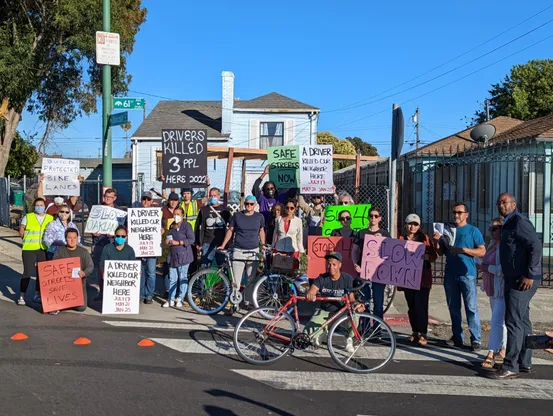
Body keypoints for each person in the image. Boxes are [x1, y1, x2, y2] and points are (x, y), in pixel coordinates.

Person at [491, 193, 542, 380]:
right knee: (522, 320)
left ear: (514, 204)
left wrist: (530, 274)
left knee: (513, 321)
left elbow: (535, 246)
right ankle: (524, 362)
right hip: (514, 277)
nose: (501, 205)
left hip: (522, 279)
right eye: (499, 203)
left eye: (505, 202)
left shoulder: (519, 222)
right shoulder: (508, 223)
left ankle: (510, 365)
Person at [433, 202, 485, 351]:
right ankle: (457, 336)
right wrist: (437, 242)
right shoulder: (448, 230)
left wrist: (464, 250)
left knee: (471, 307)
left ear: (466, 214)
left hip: (467, 274)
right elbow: (441, 253)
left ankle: (476, 339)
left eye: (460, 212)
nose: (456, 215)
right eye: (454, 212)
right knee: (453, 307)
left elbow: (482, 251)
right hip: (450, 273)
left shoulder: (473, 231)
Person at [304, 252, 364, 352]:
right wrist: (310, 294)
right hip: (325, 311)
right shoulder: (321, 278)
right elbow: (313, 290)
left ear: (340, 265)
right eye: (329, 264)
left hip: (342, 312)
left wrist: (357, 305)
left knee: (355, 316)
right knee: (307, 334)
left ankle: (348, 338)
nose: (331, 267)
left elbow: (352, 298)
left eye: (334, 264)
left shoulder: (347, 279)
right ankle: (323, 332)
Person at [218, 195, 266, 307]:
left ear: (255, 205)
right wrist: (223, 244)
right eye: (247, 204)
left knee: (251, 279)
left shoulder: (259, 217)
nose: (249, 206)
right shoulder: (237, 216)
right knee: (236, 280)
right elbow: (230, 231)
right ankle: (235, 302)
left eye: (251, 204)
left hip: (253, 251)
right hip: (238, 249)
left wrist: (262, 245)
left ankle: (248, 302)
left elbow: (261, 231)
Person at [398, 214, 437, 346]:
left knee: (421, 306)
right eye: (410, 224)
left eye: (415, 224)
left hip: (422, 278)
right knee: (411, 307)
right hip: (408, 278)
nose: (412, 226)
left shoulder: (424, 238)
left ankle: (423, 333)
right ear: (406, 224)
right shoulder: (401, 239)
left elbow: (433, 256)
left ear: (419, 226)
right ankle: (415, 331)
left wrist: (425, 256)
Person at [352, 207, 391, 321]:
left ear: (380, 218)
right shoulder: (361, 233)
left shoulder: (385, 234)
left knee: (378, 303)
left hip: (379, 273)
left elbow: (390, 253)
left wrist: (381, 241)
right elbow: (354, 250)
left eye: (376, 216)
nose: (373, 218)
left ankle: (377, 330)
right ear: (368, 217)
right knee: (365, 302)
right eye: (371, 216)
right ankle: (365, 328)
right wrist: (355, 264)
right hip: (364, 271)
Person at [478, 217, 507, 369]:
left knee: (496, 322)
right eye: (491, 229)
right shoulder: (492, 244)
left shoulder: (505, 247)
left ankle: (491, 353)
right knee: (501, 322)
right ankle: (503, 348)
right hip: (492, 288)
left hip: (502, 289)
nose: (493, 232)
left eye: (497, 228)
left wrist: (486, 268)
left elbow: (503, 269)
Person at [18, 198, 54, 305]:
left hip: (43, 249)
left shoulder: (50, 218)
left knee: (41, 273)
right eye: (37, 205)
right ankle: (22, 295)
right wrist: (26, 239)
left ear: (45, 206)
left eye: (41, 205)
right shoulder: (28, 217)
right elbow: (21, 230)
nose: (39, 207)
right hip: (29, 249)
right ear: (34, 207)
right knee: (28, 272)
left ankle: (37, 294)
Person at [50, 228, 94, 315]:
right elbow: (53, 269)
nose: (72, 240)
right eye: (69, 238)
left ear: (78, 238)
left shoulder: (84, 252)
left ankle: (68, 303)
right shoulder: (59, 252)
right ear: (65, 239)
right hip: (62, 286)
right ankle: (65, 302)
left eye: (74, 238)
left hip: (79, 285)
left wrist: (84, 273)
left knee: (81, 307)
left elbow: (90, 266)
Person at [164, 207, 195, 308]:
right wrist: (167, 241)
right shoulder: (172, 226)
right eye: (175, 214)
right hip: (173, 255)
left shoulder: (187, 226)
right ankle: (170, 299)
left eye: (178, 214)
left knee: (182, 277)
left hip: (184, 256)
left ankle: (180, 298)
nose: (176, 216)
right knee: (173, 278)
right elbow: (168, 237)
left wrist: (179, 242)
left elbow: (191, 239)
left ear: (182, 215)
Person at [196, 188, 231, 268]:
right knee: (204, 268)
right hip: (207, 242)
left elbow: (231, 226)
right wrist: (199, 242)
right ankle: (202, 281)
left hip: (221, 243)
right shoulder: (204, 210)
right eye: (211, 196)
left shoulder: (225, 210)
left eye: (215, 195)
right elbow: (198, 226)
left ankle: (223, 281)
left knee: (223, 267)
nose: (213, 197)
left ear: (219, 196)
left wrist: (229, 242)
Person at [98, 226, 136, 300]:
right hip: (110, 280)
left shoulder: (130, 250)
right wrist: (103, 272)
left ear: (126, 237)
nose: (120, 238)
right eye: (118, 236)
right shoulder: (107, 248)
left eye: (123, 236)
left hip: (125, 281)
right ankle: (102, 295)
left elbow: (133, 265)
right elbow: (101, 264)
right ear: (114, 236)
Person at [137, 191, 160, 305]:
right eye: (144, 199)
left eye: (148, 199)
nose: (145, 201)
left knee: (151, 272)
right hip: (139, 247)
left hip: (151, 248)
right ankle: (141, 294)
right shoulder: (135, 213)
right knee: (140, 273)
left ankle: (149, 294)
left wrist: (162, 230)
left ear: (151, 201)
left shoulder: (156, 214)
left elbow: (162, 227)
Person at [272, 199, 304, 269]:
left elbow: (299, 237)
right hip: (279, 250)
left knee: (292, 273)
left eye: (291, 208)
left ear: (295, 209)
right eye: (287, 208)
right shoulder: (278, 219)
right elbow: (275, 233)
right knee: (278, 272)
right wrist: (272, 246)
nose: (289, 210)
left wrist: (301, 252)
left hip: (292, 251)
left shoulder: (298, 221)